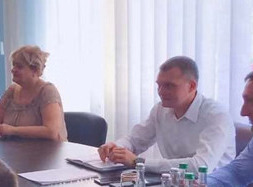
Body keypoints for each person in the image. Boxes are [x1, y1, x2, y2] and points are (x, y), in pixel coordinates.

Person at [98, 56, 235, 172]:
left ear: (192, 86)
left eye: (169, 86)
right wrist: (116, 148)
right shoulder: (160, 110)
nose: (161, 92)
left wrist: (138, 162)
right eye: (159, 85)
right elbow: (135, 140)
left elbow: (201, 166)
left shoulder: (216, 115)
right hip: (174, 183)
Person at [0, 45, 67, 141]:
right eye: (13, 65)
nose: (13, 70)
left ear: (35, 70)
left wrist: (13, 130)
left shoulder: (47, 91)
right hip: (15, 149)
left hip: (48, 150)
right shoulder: (11, 91)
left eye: (19, 67)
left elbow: (51, 131)